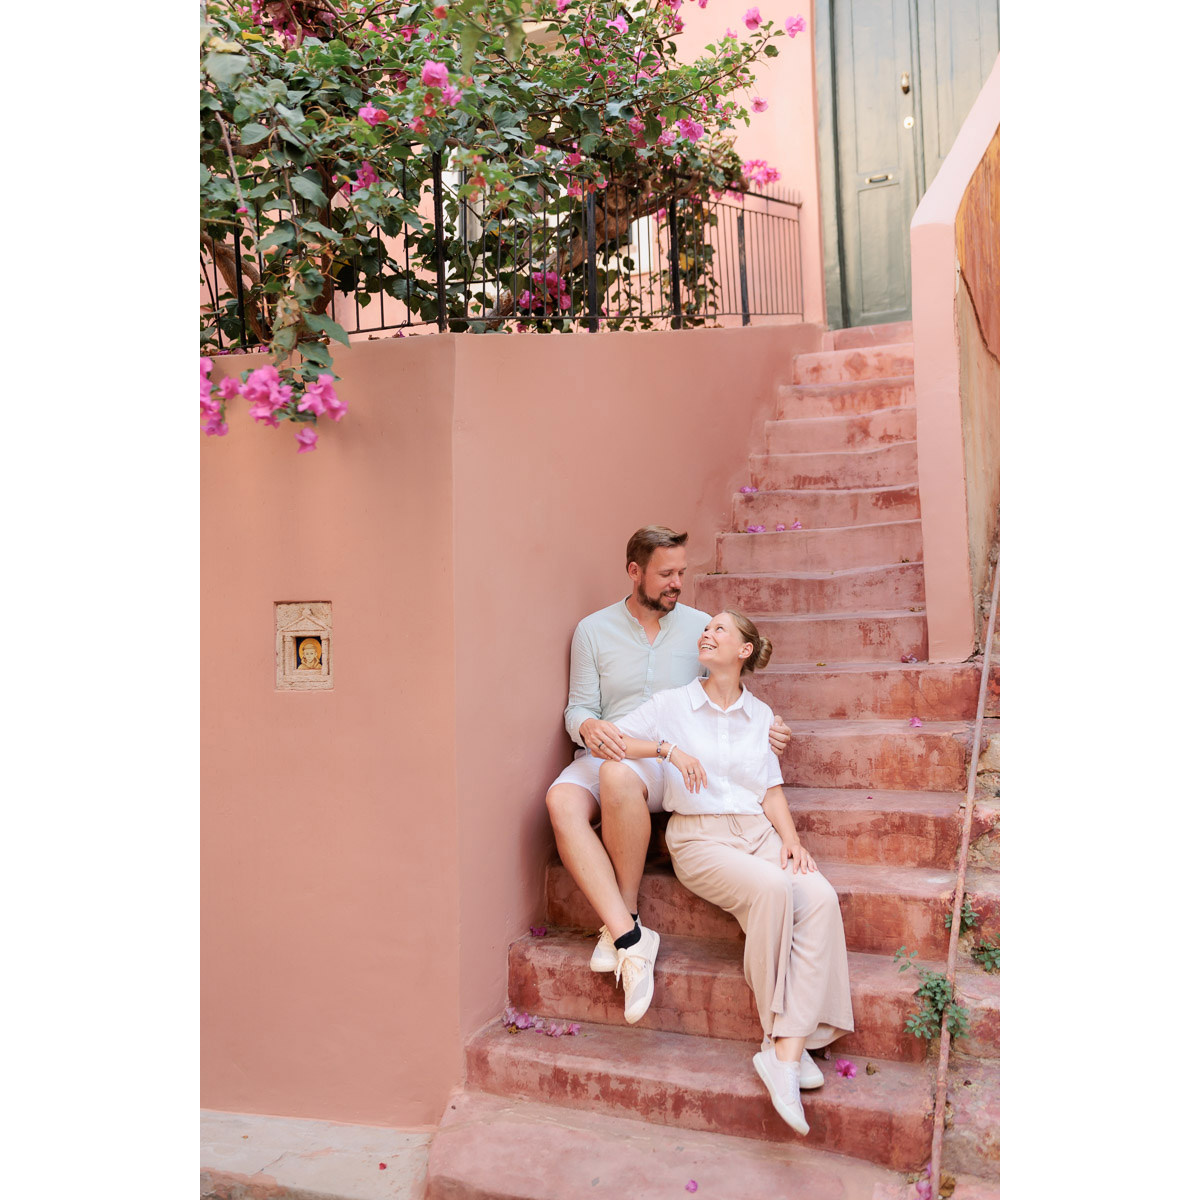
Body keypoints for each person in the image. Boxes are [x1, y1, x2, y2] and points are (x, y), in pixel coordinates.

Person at [604, 608, 853, 1136]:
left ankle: (784, 1049)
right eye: (706, 627)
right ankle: (784, 1042)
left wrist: (791, 840)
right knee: (773, 890)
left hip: (757, 832)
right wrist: (667, 750)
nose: (707, 633)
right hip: (698, 838)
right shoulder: (673, 705)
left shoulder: (761, 715)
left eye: (720, 628)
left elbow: (770, 790)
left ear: (743, 651)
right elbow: (612, 740)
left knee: (821, 895)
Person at [545, 527, 791, 1024]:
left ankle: (627, 915)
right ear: (635, 572)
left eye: (681, 572)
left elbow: (727, 690)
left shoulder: (702, 627)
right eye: (666, 574)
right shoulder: (593, 631)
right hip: (612, 744)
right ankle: (630, 936)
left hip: (670, 760)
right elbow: (578, 708)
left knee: (618, 778)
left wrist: (770, 725)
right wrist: (587, 724)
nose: (677, 583)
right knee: (561, 802)